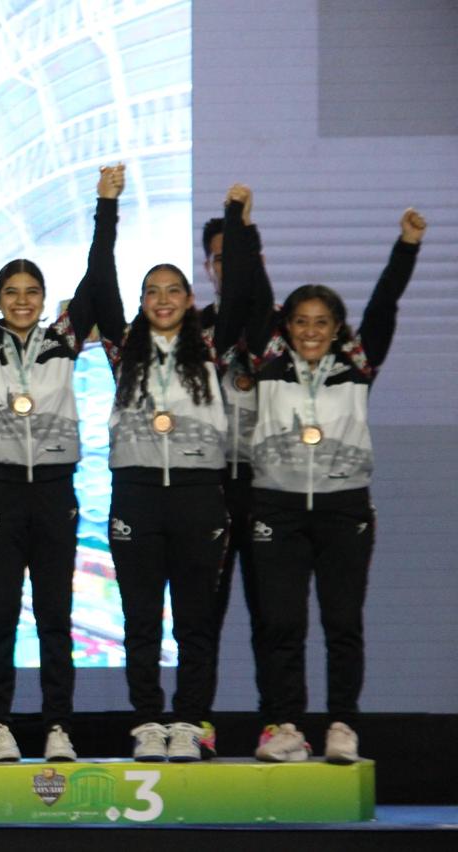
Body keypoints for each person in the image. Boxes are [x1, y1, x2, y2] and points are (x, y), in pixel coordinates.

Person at [0, 166, 127, 762]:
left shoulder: (65, 338)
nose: (21, 301)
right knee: (0, 616)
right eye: (11, 293)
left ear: (42, 298)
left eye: (31, 292)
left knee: (56, 616)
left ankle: (58, 725)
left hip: (54, 491)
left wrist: (105, 206)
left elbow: (98, 275)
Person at [224, 190, 426, 764]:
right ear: (284, 327)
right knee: (282, 623)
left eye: (322, 323)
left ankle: (341, 725)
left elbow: (384, 306)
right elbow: (249, 289)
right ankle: (284, 726)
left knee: (342, 621)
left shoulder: (357, 367)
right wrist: (241, 225)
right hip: (277, 508)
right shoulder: (267, 363)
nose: (311, 331)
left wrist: (406, 247)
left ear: (338, 328)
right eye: (300, 322)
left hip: (344, 509)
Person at [93, 172, 248, 762]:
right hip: (135, 494)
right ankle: (148, 722)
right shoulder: (121, 347)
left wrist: (234, 223)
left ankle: (189, 721)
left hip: (197, 495)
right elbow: (99, 277)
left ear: (189, 300)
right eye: (152, 291)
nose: (162, 299)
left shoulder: (212, 343)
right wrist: (108, 207)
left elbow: (241, 292)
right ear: (141, 303)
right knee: (139, 618)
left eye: (173, 290)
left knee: (195, 619)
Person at [198, 210, 267, 748]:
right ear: (209, 266)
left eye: (240, 256)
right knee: (203, 616)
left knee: (274, 617)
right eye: (222, 258)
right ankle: (197, 725)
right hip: (211, 487)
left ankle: (278, 726)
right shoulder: (193, 329)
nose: (230, 267)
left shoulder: (286, 326)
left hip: (271, 488)